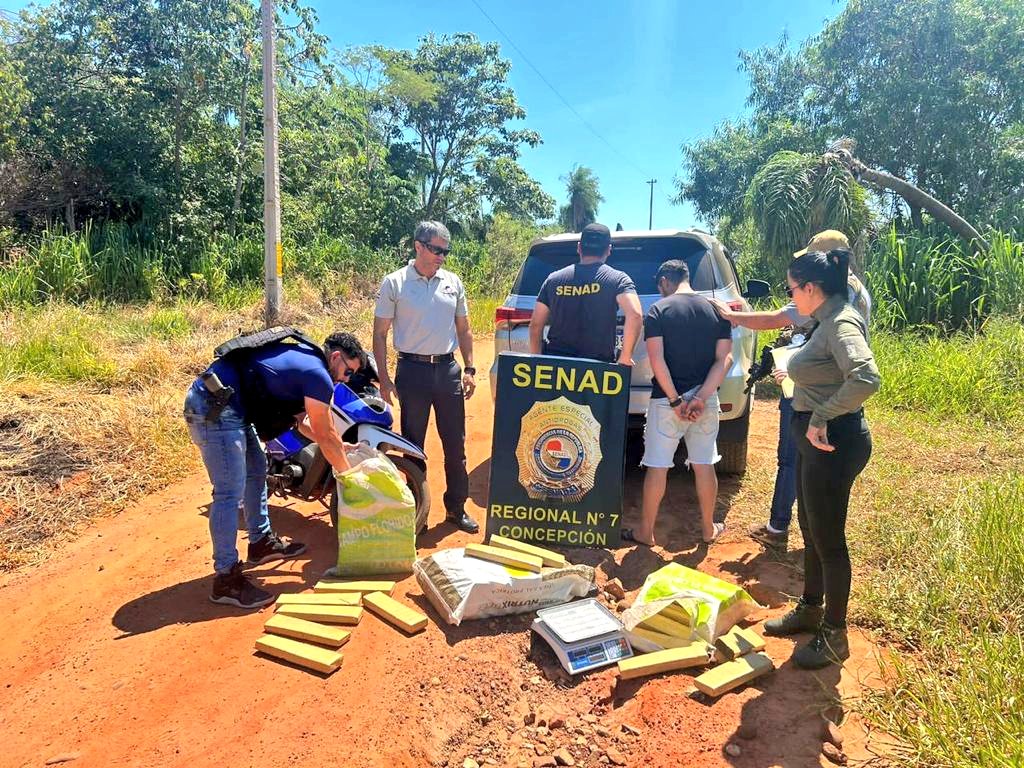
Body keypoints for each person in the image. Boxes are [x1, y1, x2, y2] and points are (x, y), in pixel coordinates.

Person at [184, 330, 365, 609]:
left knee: (256, 473)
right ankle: (226, 579)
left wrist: (341, 448)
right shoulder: (318, 374)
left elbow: (308, 425)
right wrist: (350, 478)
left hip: (231, 405)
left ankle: (260, 543)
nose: (345, 378)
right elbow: (324, 433)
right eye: (348, 371)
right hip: (215, 409)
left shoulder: (309, 362)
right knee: (228, 494)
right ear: (337, 357)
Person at [712, 230, 870, 548]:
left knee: (792, 457)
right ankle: (812, 534)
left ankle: (780, 529)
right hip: (835, 391)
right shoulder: (857, 290)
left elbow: (778, 316)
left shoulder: (830, 296)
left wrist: (733, 317)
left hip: (812, 389)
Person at [763, 249, 880, 669]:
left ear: (810, 288)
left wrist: (823, 415)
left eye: (792, 289)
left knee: (829, 539)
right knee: (811, 530)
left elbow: (866, 377)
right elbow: (824, 369)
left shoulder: (841, 321)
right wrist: (792, 374)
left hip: (835, 441)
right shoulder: (823, 319)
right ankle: (811, 608)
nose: (791, 297)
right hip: (816, 441)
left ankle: (835, 633)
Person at [373, 221, 478, 534]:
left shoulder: (453, 282)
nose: (441, 257)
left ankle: (456, 509)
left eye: (445, 251)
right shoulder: (395, 282)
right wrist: (384, 377)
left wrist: (469, 367)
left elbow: (464, 329)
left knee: (455, 446)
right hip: (412, 372)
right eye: (436, 250)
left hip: (447, 371)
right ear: (418, 246)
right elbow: (379, 334)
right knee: (413, 446)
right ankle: (416, 511)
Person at [624, 259, 733, 547]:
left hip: (666, 402)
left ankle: (646, 532)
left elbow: (657, 359)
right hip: (704, 402)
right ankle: (708, 529)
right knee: (704, 464)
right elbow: (724, 359)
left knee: (657, 467)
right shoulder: (716, 309)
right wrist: (699, 398)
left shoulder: (659, 310)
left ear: (664, 282)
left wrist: (675, 400)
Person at [528, 222, 642, 366]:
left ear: (579, 247)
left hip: (557, 367)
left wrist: (537, 360)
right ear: (608, 250)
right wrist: (625, 356)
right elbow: (635, 314)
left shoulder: (553, 279)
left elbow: (536, 325)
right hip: (597, 369)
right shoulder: (618, 279)